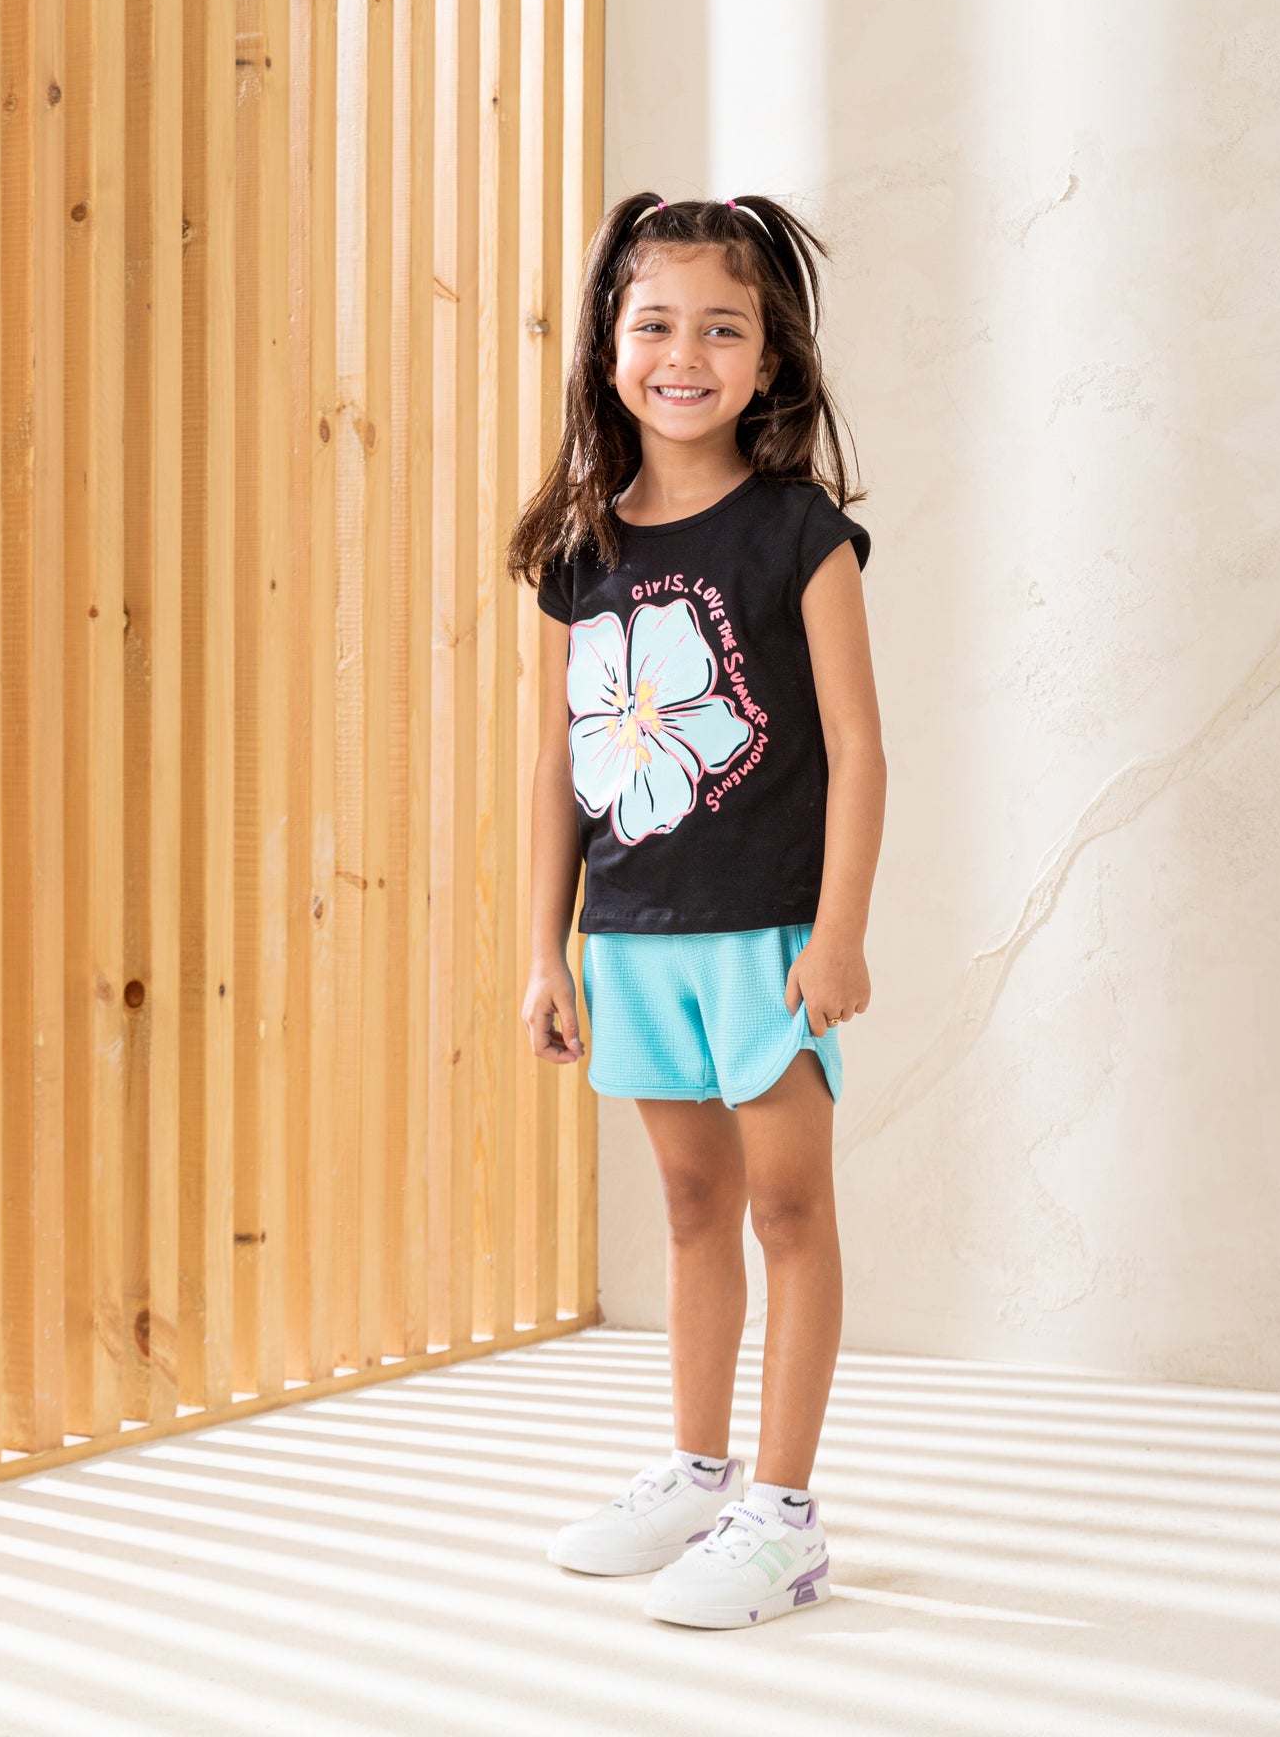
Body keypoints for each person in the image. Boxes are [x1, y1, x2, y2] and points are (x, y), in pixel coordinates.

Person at [507, 191, 886, 1630]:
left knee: (788, 1209)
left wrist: (838, 932)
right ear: (609, 349)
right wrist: (541, 950)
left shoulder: (800, 533)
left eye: (722, 329)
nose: (685, 355)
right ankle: (695, 1469)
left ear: (768, 358)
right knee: (688, 1206)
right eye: (655, 324)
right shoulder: (578, 550)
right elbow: (555, 763)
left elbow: (858, 745)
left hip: (770, 941)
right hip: (633, 937)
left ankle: (783, 1516)